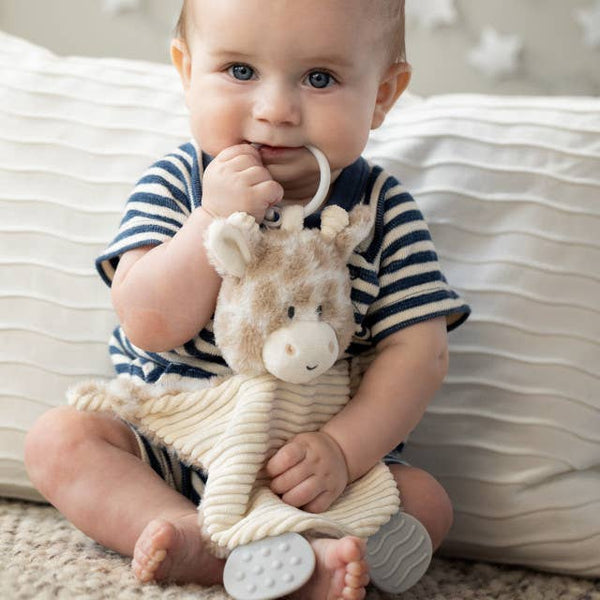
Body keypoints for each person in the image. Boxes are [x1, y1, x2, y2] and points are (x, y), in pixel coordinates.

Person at [25, 1, 470, 598]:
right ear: (186, 71)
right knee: (60, 440)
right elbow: (149, 323)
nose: (276, 111)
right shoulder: (179, 184)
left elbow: (419, 355)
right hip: (174, 446)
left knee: (426, 500)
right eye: (239, 70)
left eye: (320, 78)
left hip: (310, 467)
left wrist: (344, 448)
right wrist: (213, 216)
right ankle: (195, 540)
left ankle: (325, 555)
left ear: (383, 94)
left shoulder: (380, 212)